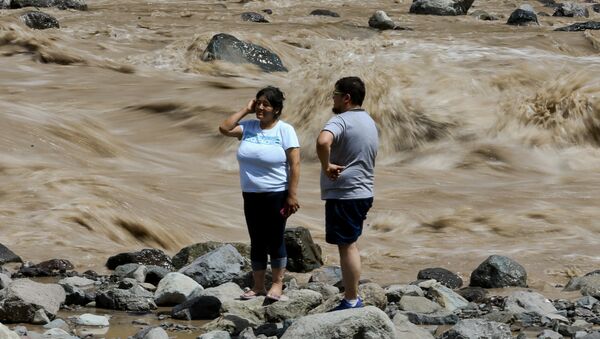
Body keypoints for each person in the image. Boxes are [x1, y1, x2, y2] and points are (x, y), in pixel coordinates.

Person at [218, 86, 300, 301]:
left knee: (275, 239)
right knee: (256, 240)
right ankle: (257, 286)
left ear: (277, 109)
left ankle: (277, 284)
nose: (261, 108)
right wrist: (245, 110)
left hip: (276, 193)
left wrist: (291, 195)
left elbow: (295, 164)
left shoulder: (285, 130)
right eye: (259, 103)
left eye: (266, 104)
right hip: (251, 193)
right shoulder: (248, 127)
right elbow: (224, 128)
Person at [316, 76, 378, 311]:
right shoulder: (369, 122)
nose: (332, 98)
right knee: (349, 243)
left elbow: (323, 142)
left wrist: (326, 165)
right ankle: (352, 295)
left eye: (335, 94)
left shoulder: (341, 120)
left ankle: (351, 299)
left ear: (346, 98)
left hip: (345, 193)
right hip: (363, 191)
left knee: (347, 245)